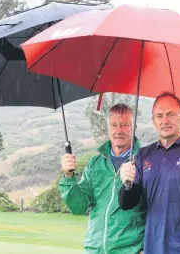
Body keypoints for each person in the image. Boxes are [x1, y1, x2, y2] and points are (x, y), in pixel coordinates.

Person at [118, 92, 180, 254]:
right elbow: (127, 203)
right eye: (159, 116)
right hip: (154, 247)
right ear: (154, 121)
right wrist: (126, 183)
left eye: (171, 114)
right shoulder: (143, 155)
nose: (165, 120)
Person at [59, 103, 145, 254]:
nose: (119, 130)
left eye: (125, 125)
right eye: (114, 125)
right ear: (108, 128)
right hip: (94, 249)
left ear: (134, 128)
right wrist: (68, 176)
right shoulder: (95, 163)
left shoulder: (145, 162)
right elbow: (79, 206)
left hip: (129, 251)